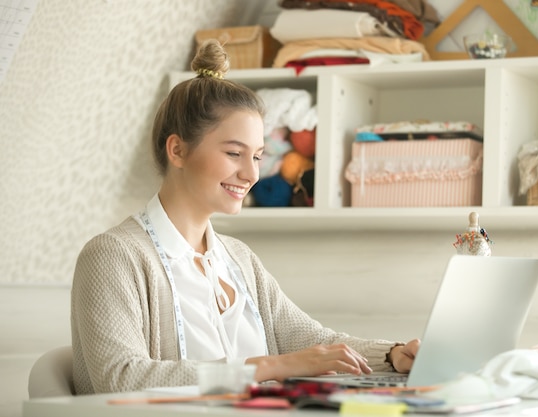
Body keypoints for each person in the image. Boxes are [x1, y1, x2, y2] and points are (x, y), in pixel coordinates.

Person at [70, 39, 420, 395]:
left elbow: (315, 342)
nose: (251, 174)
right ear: (177, 150)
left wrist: (393, 356)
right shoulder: (113, 256)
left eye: (257, 156)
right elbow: (121, 378)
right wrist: (270, 366)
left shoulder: (238, 259)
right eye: (235, 153)